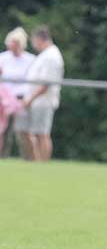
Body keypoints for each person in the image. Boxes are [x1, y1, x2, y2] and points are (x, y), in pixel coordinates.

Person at [16, 26, 64, 161]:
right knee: (35, 133)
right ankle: (36, 162)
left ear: (40, 39)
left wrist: (30, 99)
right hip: (37, 100)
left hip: (43, 101)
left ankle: (43, 163)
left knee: (42, 134)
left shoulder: (51, 56)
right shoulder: (45, 55)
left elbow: (46, 84)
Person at [0, 27, 35, 157]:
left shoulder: (31, 60)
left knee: (22, 131)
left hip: (22, 98)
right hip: (4, 99)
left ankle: (29, 158)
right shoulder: (3, 58)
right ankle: (2, 156)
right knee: (2, 130)